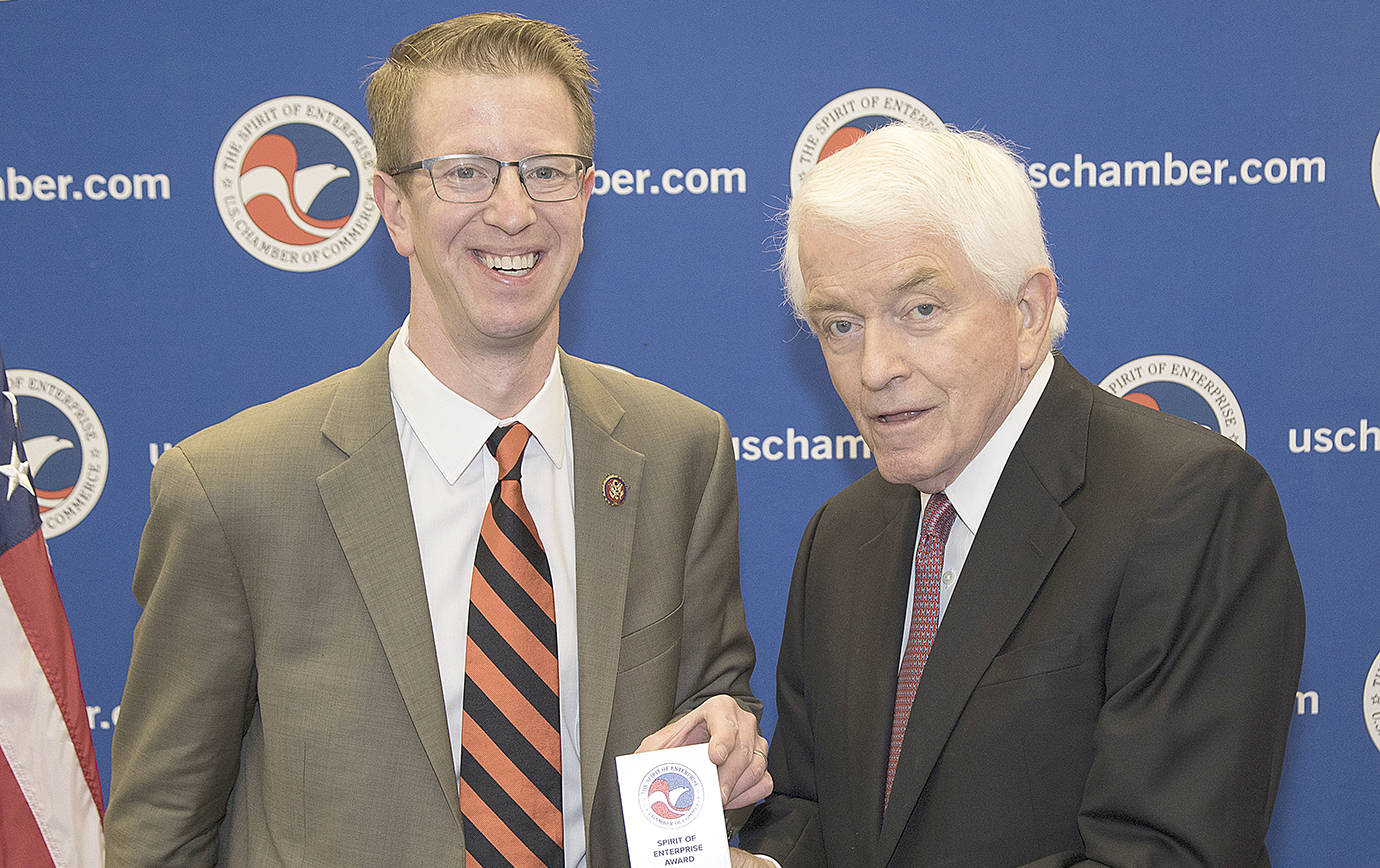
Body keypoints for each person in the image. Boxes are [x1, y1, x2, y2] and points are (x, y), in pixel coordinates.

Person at [105, 13, 767, 867]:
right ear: (394, 208)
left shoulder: (682, 453)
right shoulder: (231, 490)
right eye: (465, 173)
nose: (513, 209)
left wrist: (727, 740)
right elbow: (161, 831)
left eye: (547, 171)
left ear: (587, 195)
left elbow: (711, 726)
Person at [732, 124, 1304, 867]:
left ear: (1028, 313)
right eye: (839, 325)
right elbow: (813, 813)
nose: (874, 368)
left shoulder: (1190, 504)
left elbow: (1163, 853)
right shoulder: (840, 536)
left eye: (921, 310)